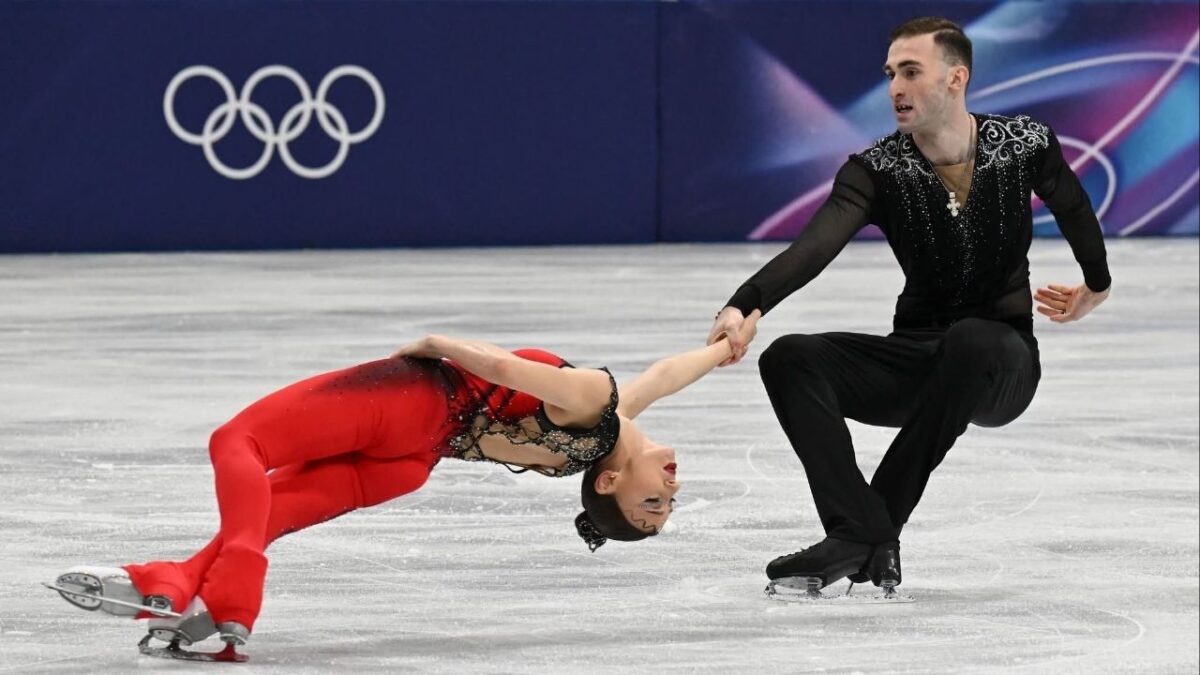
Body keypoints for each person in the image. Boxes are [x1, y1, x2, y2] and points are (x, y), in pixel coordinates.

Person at [707, 17, 1111, 595]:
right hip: (917, 355)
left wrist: (1095, 285)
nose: (895, 86)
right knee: (791, 359)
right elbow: (815, 246)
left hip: (1001, 362)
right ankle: (862, 529)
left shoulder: (1022, 144)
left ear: (956, 78)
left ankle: (866, 533)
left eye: (911, 72)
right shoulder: (877, 170)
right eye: (890, 73)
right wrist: (747, 303)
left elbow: (1073, 207)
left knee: (972, 339)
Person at [50, 332, 743, 653]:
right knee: (274, 510)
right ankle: (168, 582)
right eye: (668, 504)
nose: (673, 490)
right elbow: (665, 375)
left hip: (414, 403)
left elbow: (506, 367)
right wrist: (724, 347)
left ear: (612, 480)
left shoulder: (594, 398)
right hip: (412, 463)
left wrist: (441, 342)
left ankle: (235, 592)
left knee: (238, 443)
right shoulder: (602, 431)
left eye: (653, 503)